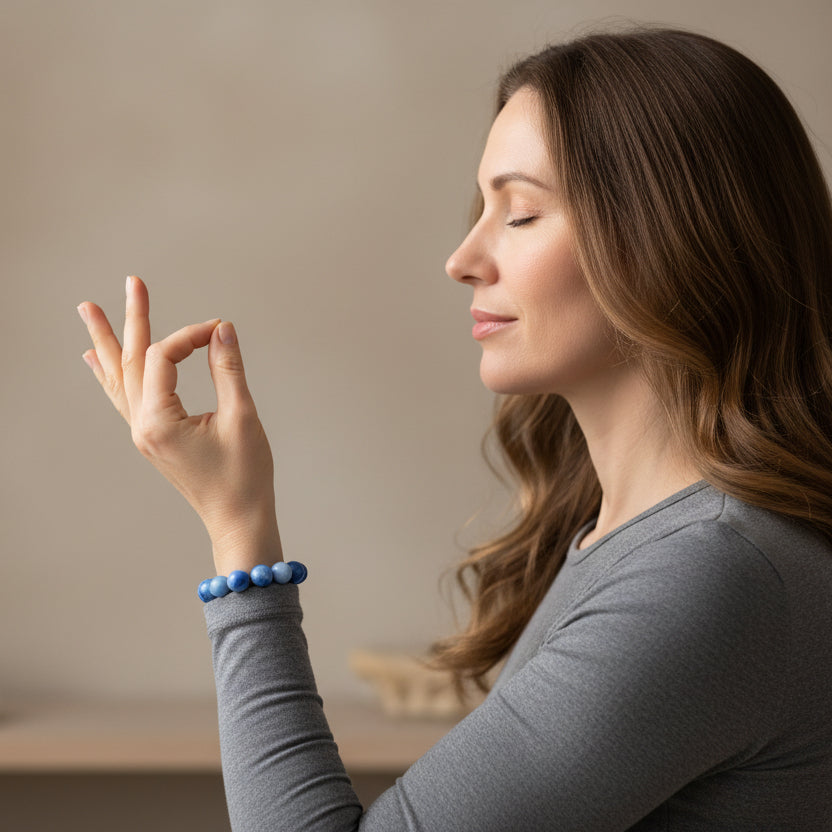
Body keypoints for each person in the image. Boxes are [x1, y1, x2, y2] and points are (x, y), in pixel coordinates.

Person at [77, 24, 832, 832]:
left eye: (522, 213)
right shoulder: (635, 540)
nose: (463, 258)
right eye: (483, 208)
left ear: (672, 238)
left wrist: (238, 530)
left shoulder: (710, 577)